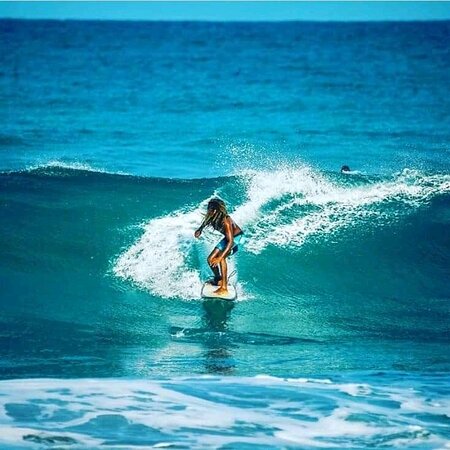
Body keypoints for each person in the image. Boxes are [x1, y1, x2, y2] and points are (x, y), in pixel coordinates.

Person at [194, 198, 245, 295]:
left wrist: (221, 257)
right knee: (210, 259)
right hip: (228, 238)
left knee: (220, 258)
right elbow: (205, 222)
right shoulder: (211, 216)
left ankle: (224, 287)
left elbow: (230, 242)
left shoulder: (226, 221)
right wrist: (199, 230)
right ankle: (218, 279)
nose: (207, 210)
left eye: (209, 208)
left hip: (237, 238)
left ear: (215, 210)